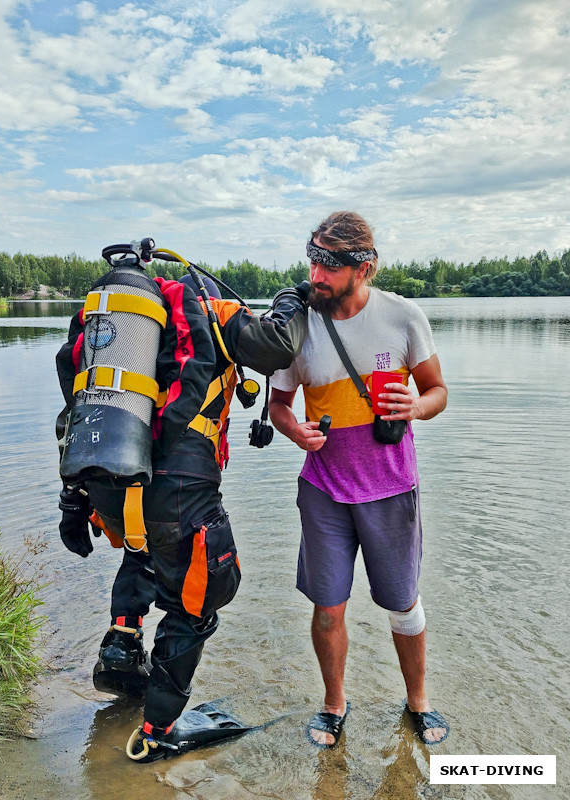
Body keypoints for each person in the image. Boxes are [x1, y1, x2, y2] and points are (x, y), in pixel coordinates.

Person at [56, 250, 309, 762]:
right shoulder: (212, 311)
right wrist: (292, 299)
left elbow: (76, 400)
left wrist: (73, 499)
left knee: (141, 549)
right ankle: (158, 728)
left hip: (107, 482)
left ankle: (122, 644)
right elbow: (278, 344)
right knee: (201, 599)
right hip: (180, 493)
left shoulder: (98, 325)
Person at [268, 211, 449, 748]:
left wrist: (416, 406)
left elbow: (438, 391)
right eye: (312, 259)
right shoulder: (298, 324)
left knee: (403, 602)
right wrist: (295, 431)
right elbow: (280, 405)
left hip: (392, 486)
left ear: (363, 267)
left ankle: (418, 700)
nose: (315, 274)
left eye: (328, 264)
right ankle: (333, 704)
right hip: (324, 487)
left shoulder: (403, 317)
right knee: (328, 607)